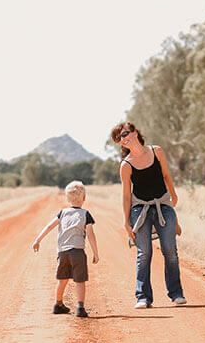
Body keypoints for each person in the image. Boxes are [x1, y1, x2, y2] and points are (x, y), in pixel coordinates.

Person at [111, 121, 187, 309]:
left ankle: (176, 294)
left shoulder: (157, 151)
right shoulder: (126, 165)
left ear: (135, 132)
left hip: (163, 205)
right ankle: (143, 297)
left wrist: (174, 196)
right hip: (140, 210)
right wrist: (126, 222)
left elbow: (166, 176)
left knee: (170, 251)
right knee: (144, 253)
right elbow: (127, 195)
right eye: (120, 138)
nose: (124, 139)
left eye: (125, 134)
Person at [32, 180, 99, 318]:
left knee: (62, 279)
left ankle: (58, 304)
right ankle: (80, 308)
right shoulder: (86, 214)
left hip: (62, 252)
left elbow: (49, 226)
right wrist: (95, 252)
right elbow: (91, 234)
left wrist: (38, 240)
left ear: (67, 198)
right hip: (77, 252)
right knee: (79, 281)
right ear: (84, 198)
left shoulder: (62, 213)